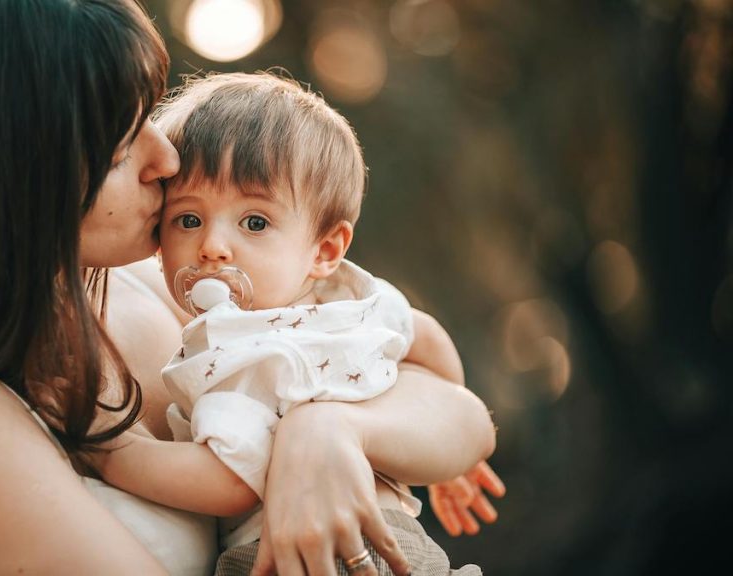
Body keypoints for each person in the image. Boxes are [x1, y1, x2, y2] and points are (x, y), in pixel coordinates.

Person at [0, 1, 498, 574]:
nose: (167, 156)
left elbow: (461, 415)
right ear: (18, 174)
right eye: (125, 141)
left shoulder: (158, 289)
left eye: (152, 114)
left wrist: (330, 428)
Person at [90, 73, 505, 575]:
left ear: (325, 250)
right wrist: (438, 458)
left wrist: (112, 452)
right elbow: (424, 338)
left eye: (255, 223)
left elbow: (226, 483)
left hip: (302, 555)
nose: (213, 247)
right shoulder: (354, 302)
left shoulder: (236, 349)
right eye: (189, 220)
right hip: (399, 545)